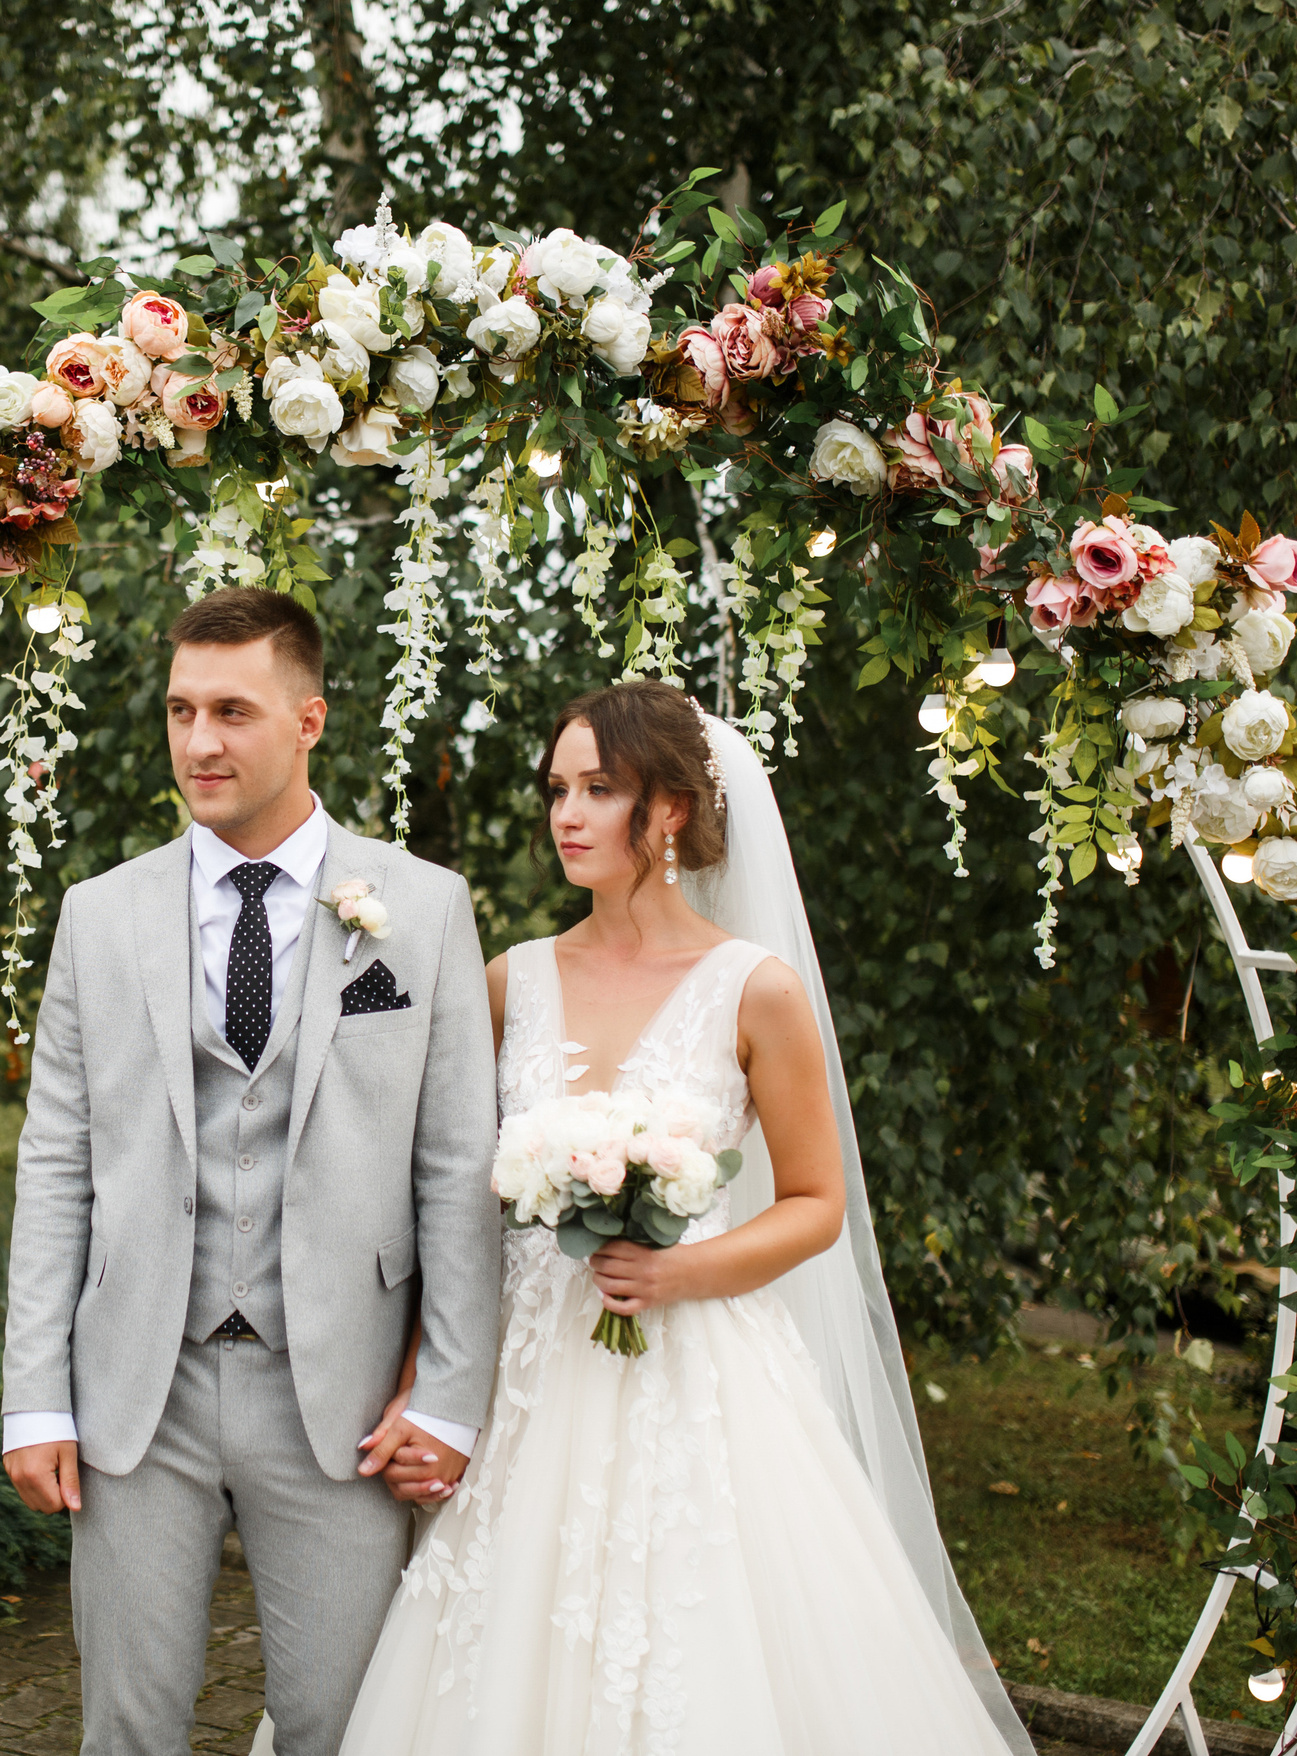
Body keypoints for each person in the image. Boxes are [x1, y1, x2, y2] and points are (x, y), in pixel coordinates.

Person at [329, 678, 1036, 1755]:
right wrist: (426, 1373)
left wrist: (679, 1272)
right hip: (529, 1367)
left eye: (597, 789)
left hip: (696, 1370)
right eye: (557, 788)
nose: (565, 814)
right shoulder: (510, 981)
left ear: (665, 810)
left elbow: (815, 1205)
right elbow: (447, 1205)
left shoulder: (754, 989)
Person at [0, 586, 503, 1756]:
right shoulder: (99, 913)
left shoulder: (421, 910)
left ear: (308, 719)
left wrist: (449, 1395)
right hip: (140, 1385)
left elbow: (454, 1167)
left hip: (337, 1394)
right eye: (179, 711)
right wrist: (35, 1393)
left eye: (232, 709)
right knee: (126, 1726)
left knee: (343, 1723)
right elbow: (56, 1163)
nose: (199, 742)